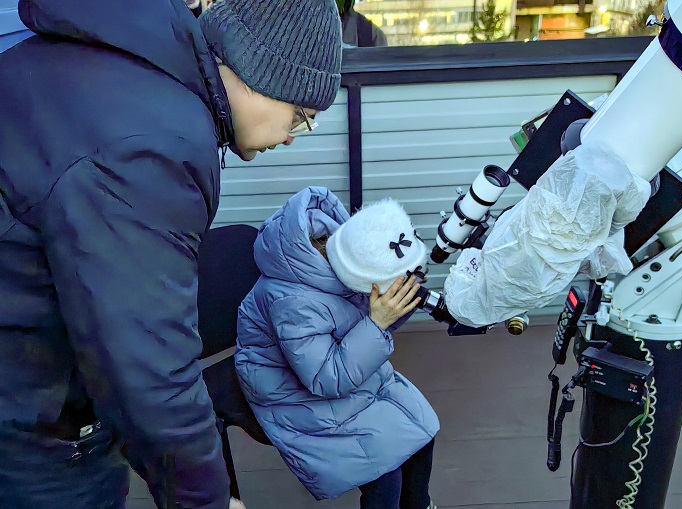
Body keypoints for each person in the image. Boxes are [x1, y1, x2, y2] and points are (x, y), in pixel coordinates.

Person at [0, 0, 341, 508]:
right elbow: (148, 368)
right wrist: (206, 501)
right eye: (301, 116)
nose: (294, 137)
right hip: (29, 427)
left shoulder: (117, 64)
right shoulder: (153, 145)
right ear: (259, 72)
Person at [235, 187, 440, 509]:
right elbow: (326, 379)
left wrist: (399, 303)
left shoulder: (341, 259)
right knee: (383, 470)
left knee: (421, 435)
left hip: (345, 368)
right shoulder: (293, 302)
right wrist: (377, 323)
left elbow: (364, 326)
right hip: (298, 393)